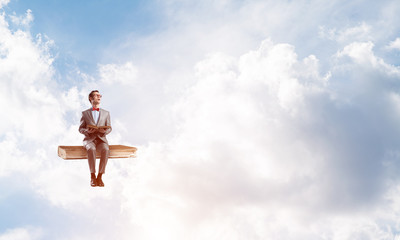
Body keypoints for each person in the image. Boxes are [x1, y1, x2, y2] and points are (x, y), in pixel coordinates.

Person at [79, 90, 112, 187]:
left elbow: (109, 128)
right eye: (97, 95)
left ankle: (100, 176)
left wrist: (104, 131)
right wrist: (87, 131)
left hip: (101, 139)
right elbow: (81, 128)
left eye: (100, 95)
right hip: (89, 139)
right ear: (91, 98)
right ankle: (92, 176)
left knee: (106, 149)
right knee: (91, 149)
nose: (99, 97)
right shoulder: (85, 113)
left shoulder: (106, 113)